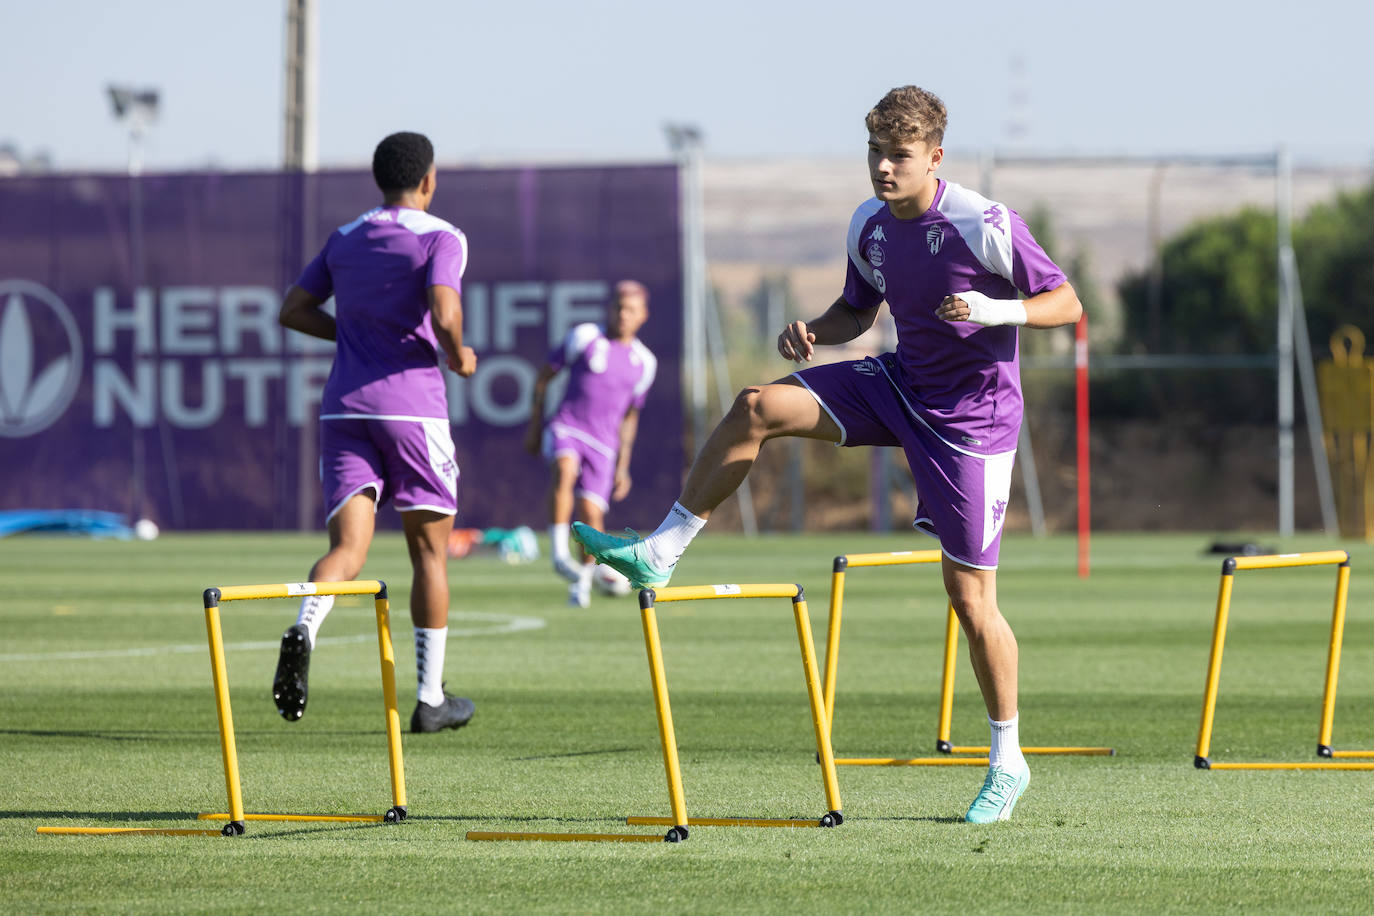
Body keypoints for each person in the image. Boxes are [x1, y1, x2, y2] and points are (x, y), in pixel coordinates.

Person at [575, 86, 1082, 822]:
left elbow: (1065, 303)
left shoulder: (983, 223)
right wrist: (813, 329)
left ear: (934, 158)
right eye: (874, 152)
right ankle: (662, 548)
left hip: (973, 425)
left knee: (971, 602)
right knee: (757, 405)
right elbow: (858, 308)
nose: (882, 167)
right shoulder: (870, 226)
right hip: (901, 385)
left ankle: (1007, 761)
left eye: (898, 156)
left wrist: (996, 308)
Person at [272, 131, 478, 734]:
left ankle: (305, 626)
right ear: (429, 180)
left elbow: (292, 310)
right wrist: (459, 354)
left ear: (378, 179)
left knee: (348, 551)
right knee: (429, 553)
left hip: (344, 410)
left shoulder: (347, 235)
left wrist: (358, 338)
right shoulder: (443, 235)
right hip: (412, 410)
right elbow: (444, 311)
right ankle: (430, 698)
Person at [524, 281, 656, 607]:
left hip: (605, 445)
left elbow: (630, 417)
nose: (623, 315)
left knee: (590, 516)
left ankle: (581, 582)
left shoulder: (644, 362)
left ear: (643, 316)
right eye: (618, 307)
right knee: (564, 470)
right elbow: (543, 377)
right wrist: (535, 424)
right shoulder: (584, 336)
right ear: (609, 308)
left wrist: (623, 466)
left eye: (631, 310)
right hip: (568, 425)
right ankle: (557, 554)